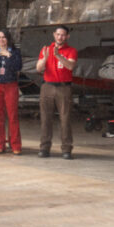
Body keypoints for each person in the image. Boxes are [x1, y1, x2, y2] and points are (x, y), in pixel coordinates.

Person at [35, 25, 77, 159]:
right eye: (58, 34)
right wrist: (45, 58)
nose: (60, 37)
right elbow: (38, 68)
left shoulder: (71, 50)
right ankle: (44, 148)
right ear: (54, 35)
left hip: (64, 88)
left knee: (65, 118)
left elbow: (70, 66)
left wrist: (58, 56)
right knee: (46, 118)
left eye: (63, 35)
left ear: (68, 36)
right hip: (47, 86)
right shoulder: (46, 49)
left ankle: (66, 149)